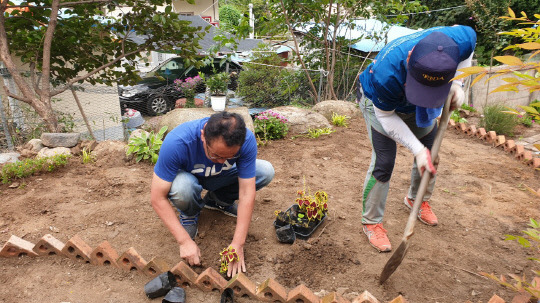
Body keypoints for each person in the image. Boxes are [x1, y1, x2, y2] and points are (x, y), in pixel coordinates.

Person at [356, 25, 476, 252]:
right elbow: (386, 117)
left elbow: (468, 50)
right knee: (384, 161)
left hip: (416, 103)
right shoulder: (386, 72)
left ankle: (416, 200)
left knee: (431, 151)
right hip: (380, 105)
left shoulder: (459, 40)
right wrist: (416, 150)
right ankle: (372, 222)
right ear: (410, 63)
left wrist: (459, 85)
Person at [150, 111, 274, 276]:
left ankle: (217, 201)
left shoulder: (246, 140)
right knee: (183, 188)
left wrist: (238, 243)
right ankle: (189, 212)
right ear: (203, 136)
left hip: (219, 178)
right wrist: (184, 241)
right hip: (189, 180)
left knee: (264, 171)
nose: (222, 161)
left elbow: (246, 192)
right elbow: (157, 197)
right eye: (215, 155)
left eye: (229, 157)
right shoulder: (178, 142)